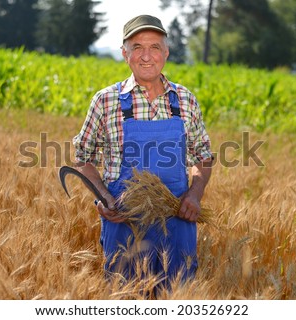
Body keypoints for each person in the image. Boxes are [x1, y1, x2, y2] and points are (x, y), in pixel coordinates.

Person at [73, 15, 213, 287]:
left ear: (166, 52)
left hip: (176, 221)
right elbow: (82, 159)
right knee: (123, 297)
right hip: (123, 221)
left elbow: (203, 156)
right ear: (124, 53)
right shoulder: (105, 101)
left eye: (155, 47)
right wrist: (104, 197)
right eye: (137, 47)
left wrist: (195, 195)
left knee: (178, 297)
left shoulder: (185, 100)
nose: (146, 56)